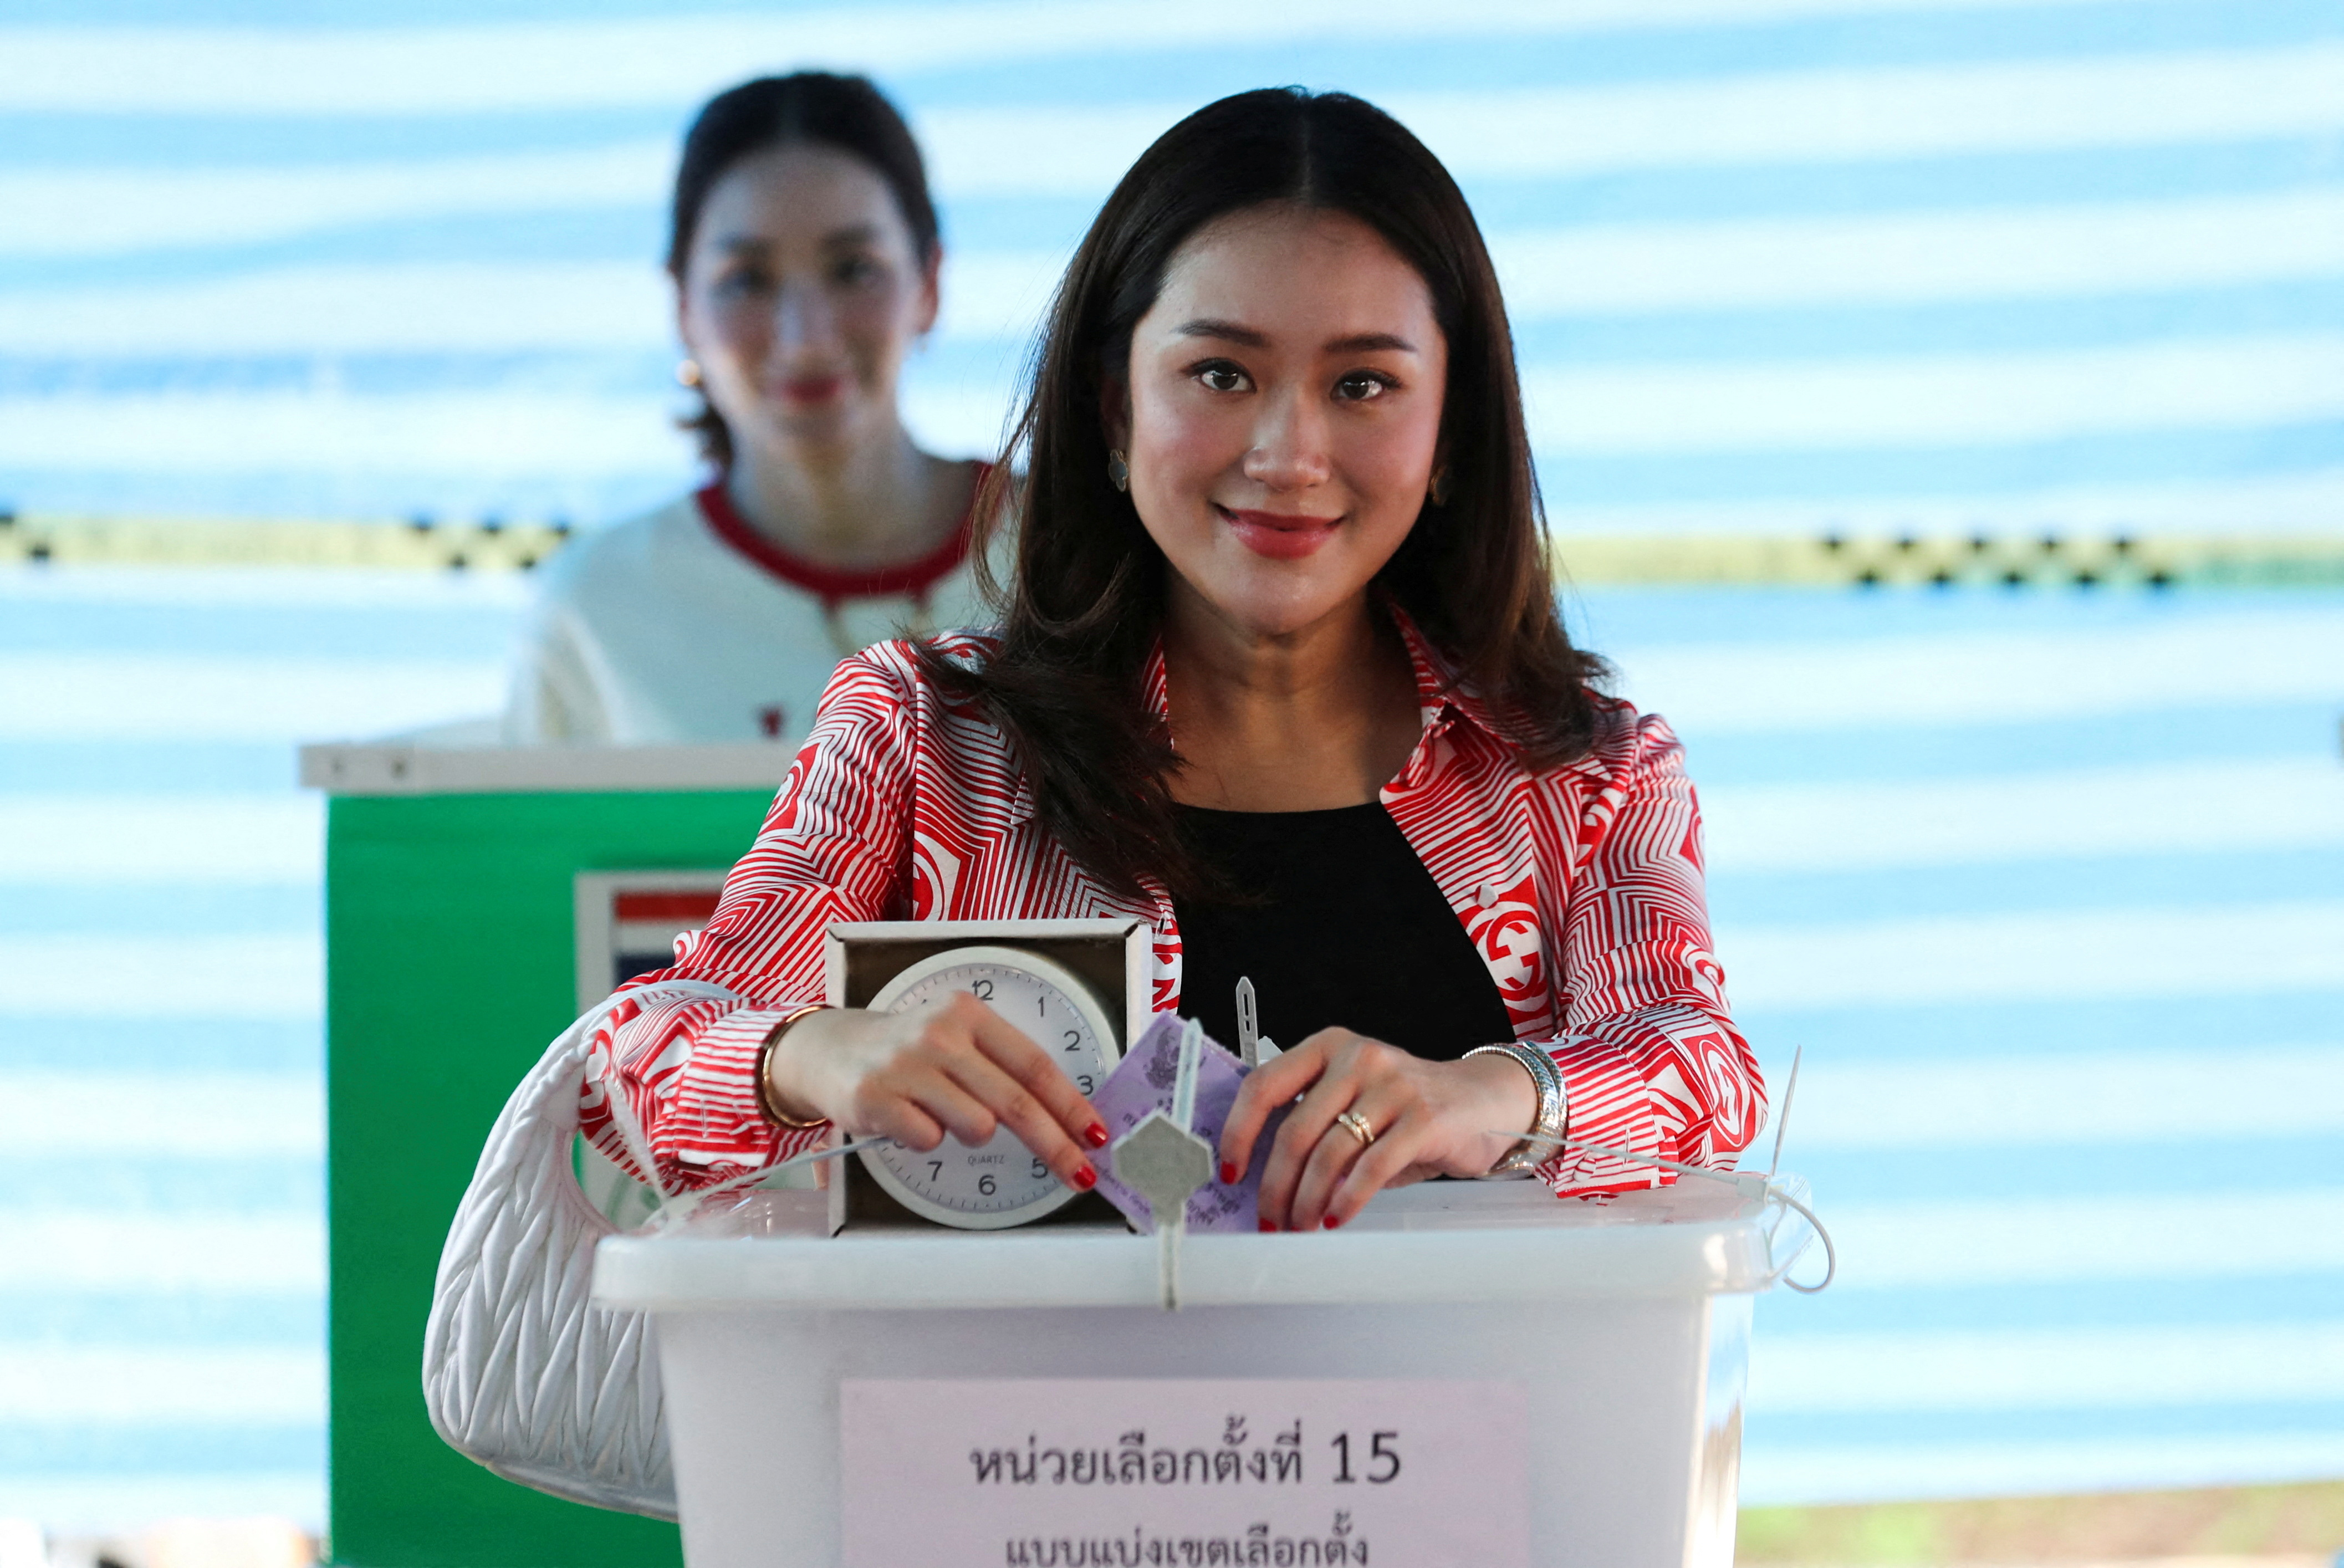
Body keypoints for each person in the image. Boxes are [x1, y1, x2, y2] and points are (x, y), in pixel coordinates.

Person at [580, 88, 1764, 1232]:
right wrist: (805, 1054)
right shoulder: (919, 740)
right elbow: (625, 1075)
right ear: (1110, 409)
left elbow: (1705, 1075)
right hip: (1015, 1438)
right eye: (1220, 374)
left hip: (1472, 1436)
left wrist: (1502, 1095)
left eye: (1361, 384)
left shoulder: (1584, 776)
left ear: (1449, 426)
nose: (1287, 452)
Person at [505, 73, 993, 744]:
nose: (807, 337)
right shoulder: (598, 606)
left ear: (929, 284)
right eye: (746, 281)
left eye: (853, 269)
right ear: (682, 307)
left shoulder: (1079, 560)